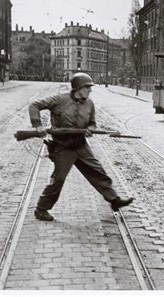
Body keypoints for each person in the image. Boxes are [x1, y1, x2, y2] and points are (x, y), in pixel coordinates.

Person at [29, 72, 134, 221]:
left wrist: (91, 128)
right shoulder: (59, 99)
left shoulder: (89, 103)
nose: (90, 91)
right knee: (58, 179)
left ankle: (114, 200)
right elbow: (35, 105)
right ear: (78, 88)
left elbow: (92, 122)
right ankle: (41, 209)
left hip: (81, 145)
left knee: (98, 171)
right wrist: (37, 125)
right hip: (62, 146)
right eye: (87, 88)